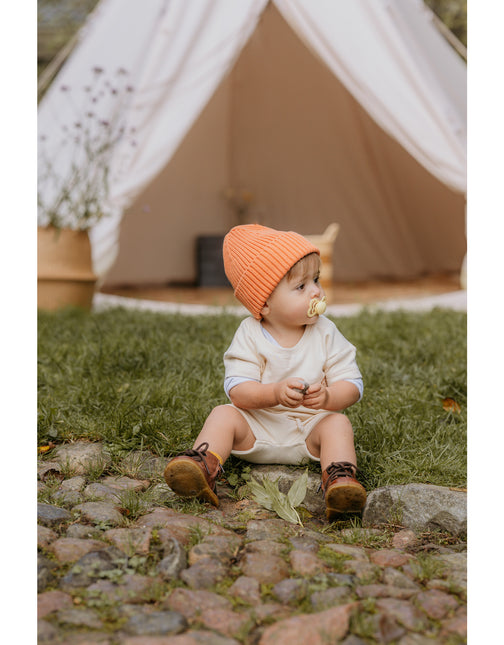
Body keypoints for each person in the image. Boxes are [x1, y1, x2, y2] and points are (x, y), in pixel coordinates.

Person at [164, 224, 366, 519]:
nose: (316, 291)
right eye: (301, 286)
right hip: (256, 431)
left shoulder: (326, 332)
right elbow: (238, 390)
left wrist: (328, 397)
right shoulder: (250, 333)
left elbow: (352, 383)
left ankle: (339, 481)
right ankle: (202, 465)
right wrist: (273, 392)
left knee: (338, 424)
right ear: (265, 304)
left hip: (309, 432)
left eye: (316, 280)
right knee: (224, 413)